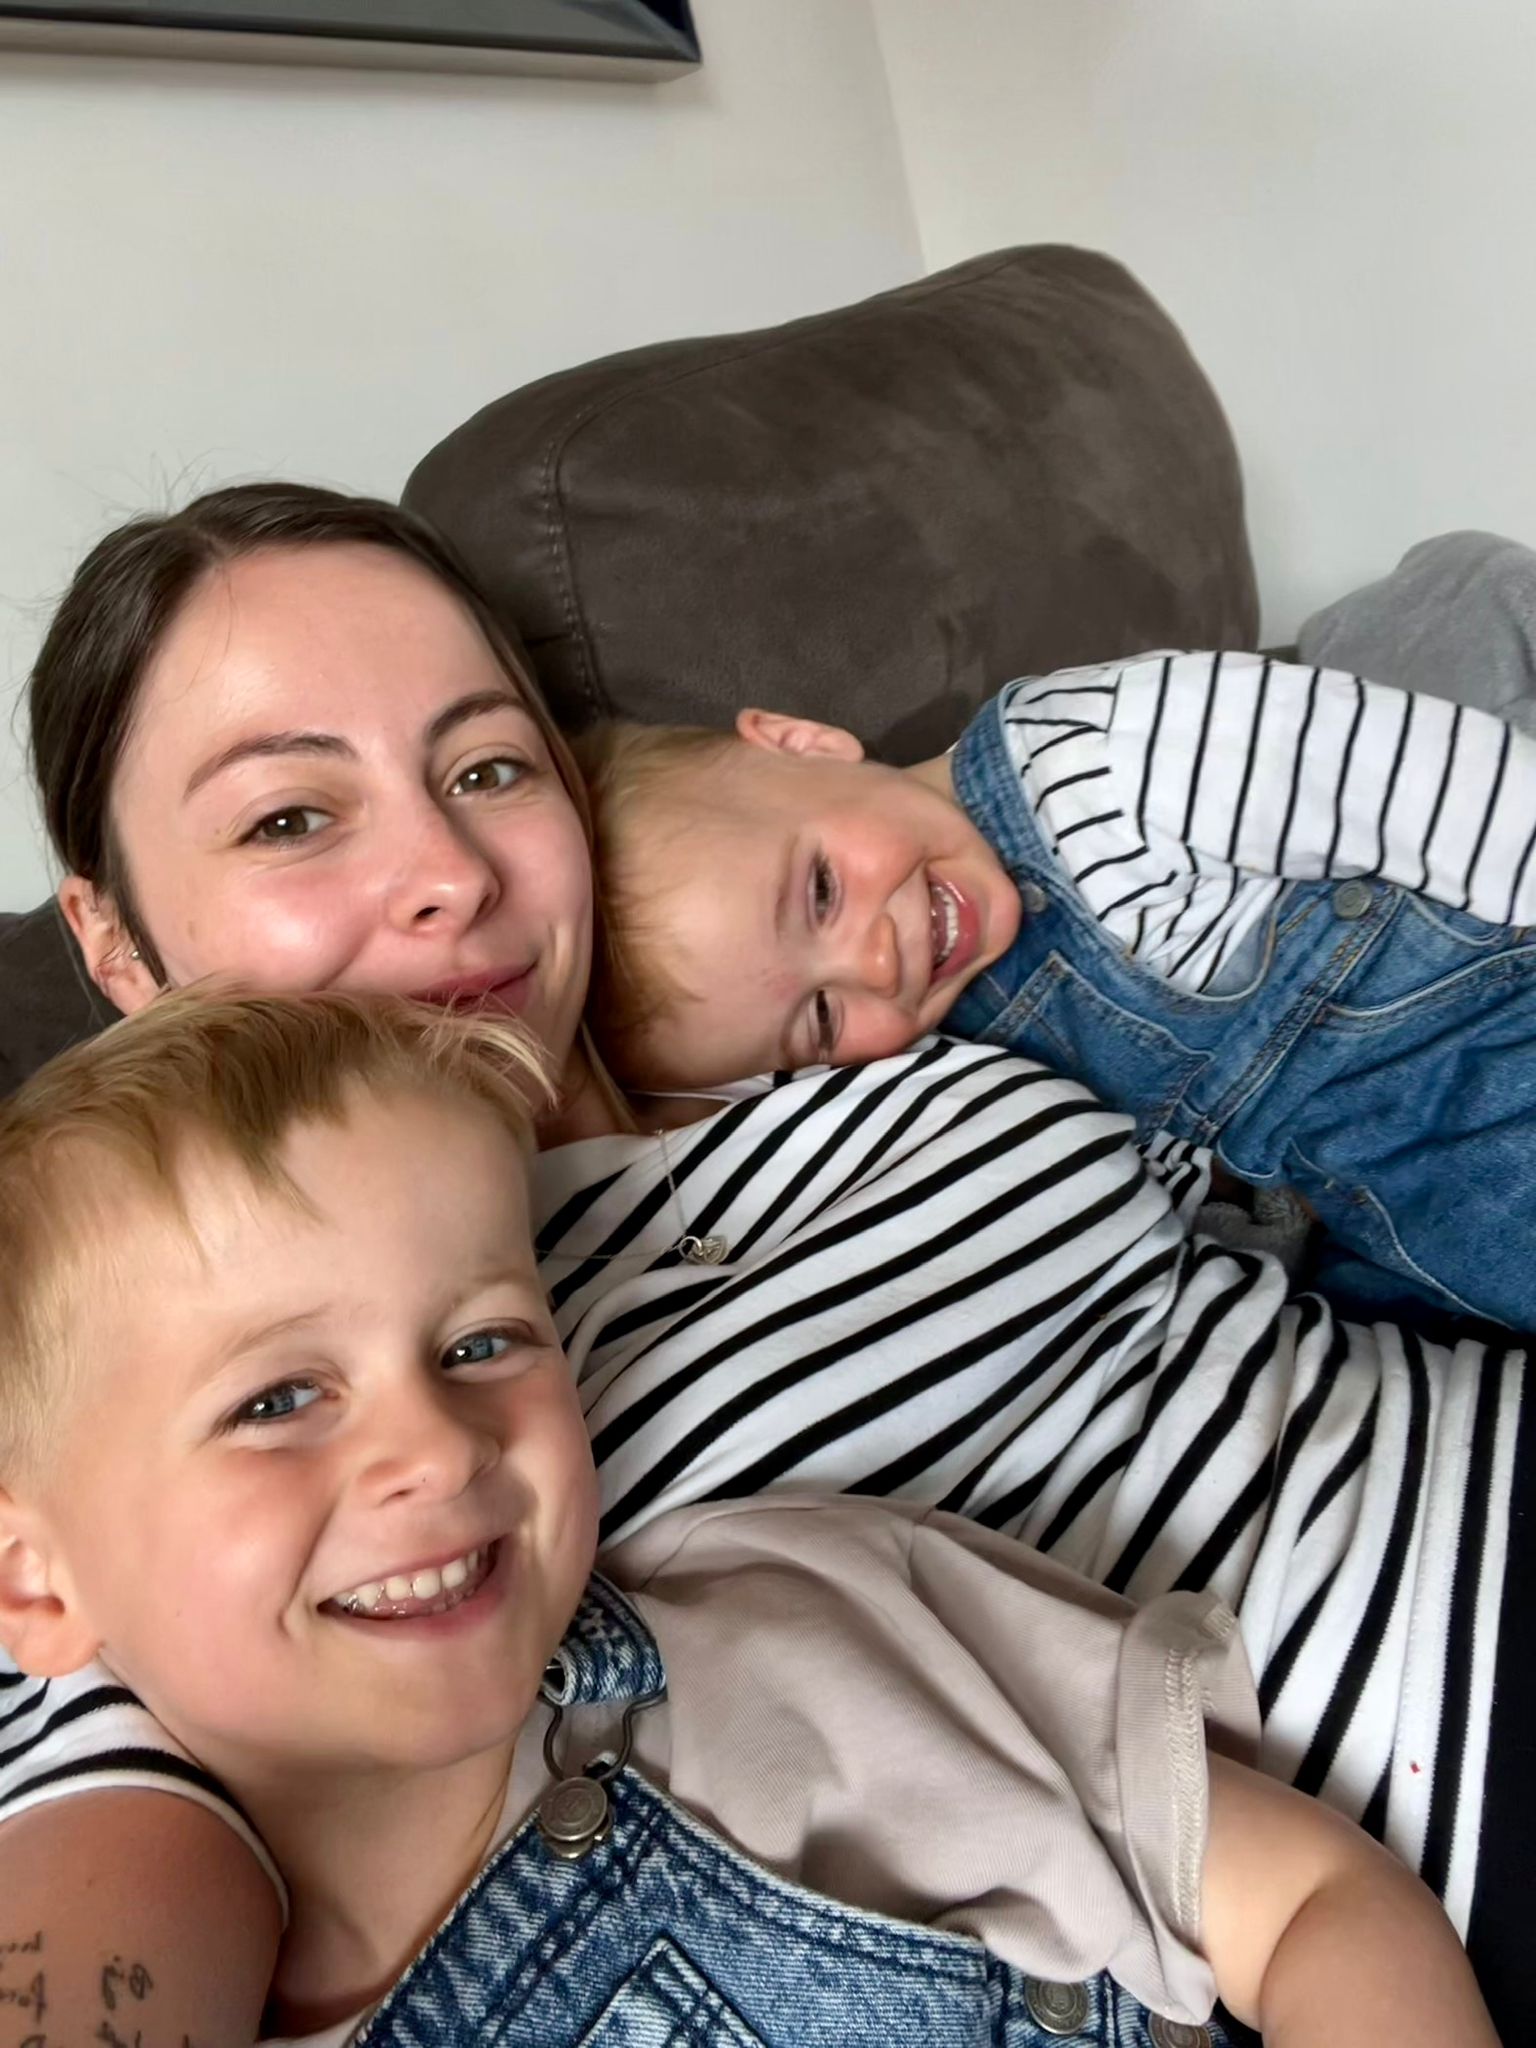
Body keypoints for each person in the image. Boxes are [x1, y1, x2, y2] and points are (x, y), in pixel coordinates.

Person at [2, 485, 1529, 2039]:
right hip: (1399, 1844)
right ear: (113, 944)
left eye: (485, 766)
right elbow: (110, 1883)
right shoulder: (169, 1412)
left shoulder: (811, 996)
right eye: (291, 818)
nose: (449, 870)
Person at [0, 988, 1501, 2048]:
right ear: (32, 1580)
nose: (434, 1450)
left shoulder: (781, 1622)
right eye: (277, 1400)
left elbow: (1311, 1903)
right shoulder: (106, 1945)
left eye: (478, 1346)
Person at [574, 654, 1536, 1333]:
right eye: (820, 1016)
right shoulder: (953, 1053)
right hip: (1391, 1216)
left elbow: (1457, 791)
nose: (877, 961)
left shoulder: (1106, 756)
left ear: (800, 742)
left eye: (822, 890)